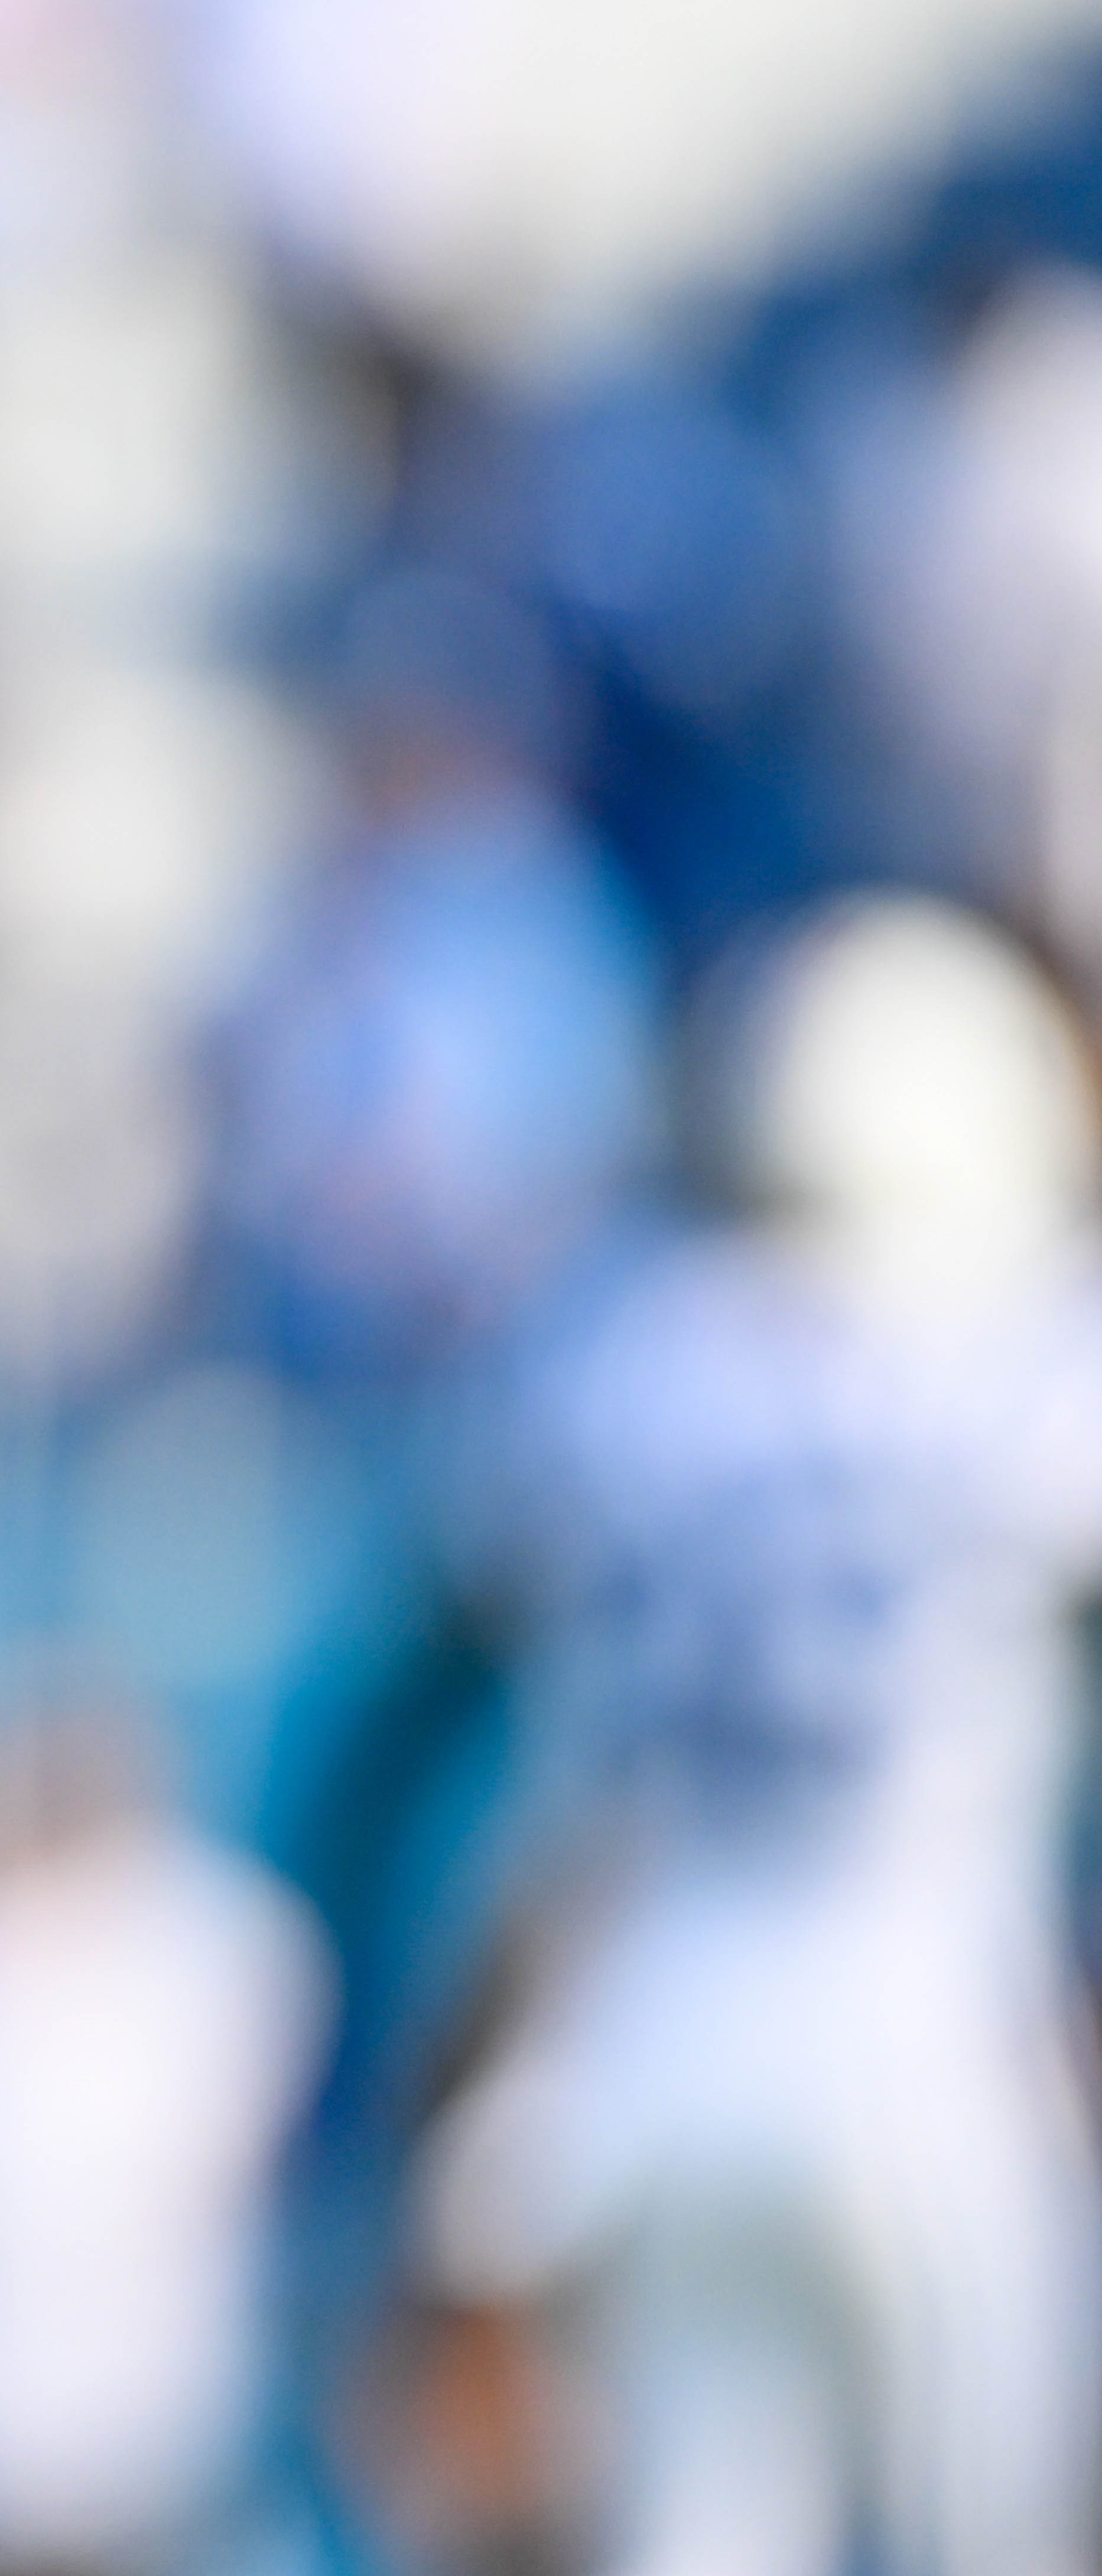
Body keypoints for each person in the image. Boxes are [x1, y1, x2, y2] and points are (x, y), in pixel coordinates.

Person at [409, 895, 1102, 2576]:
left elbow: (458, 1691)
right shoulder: (1037, 1347)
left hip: (655, 2034)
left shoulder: (619, 1346)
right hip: (932, 2033)